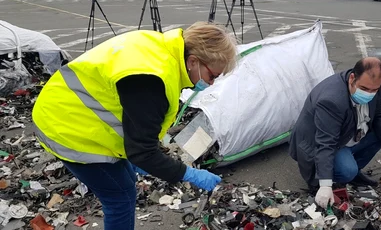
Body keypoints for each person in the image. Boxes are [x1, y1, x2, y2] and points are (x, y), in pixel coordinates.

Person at [31, 22, 238, 230]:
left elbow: (137, 126)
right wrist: (188, 174)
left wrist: (142, 156)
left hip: (67, 109)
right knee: (120, 197)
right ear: (193, 61)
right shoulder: (153, 79)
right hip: (66, 127)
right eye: (212, 76)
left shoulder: (162, 48)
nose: (211, 83)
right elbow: (142, 152)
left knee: (126, 180)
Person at [288, 57, 381, 209]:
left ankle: (350, 173)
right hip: (321, 143)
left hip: (348, 133)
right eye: (364, 89)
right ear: (352, 78)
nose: (369, 94)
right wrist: (325, 185)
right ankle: (332, 180)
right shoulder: (331, 100)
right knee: (347, 170)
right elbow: (325, 144)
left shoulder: (375, 82)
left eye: (374, 90)